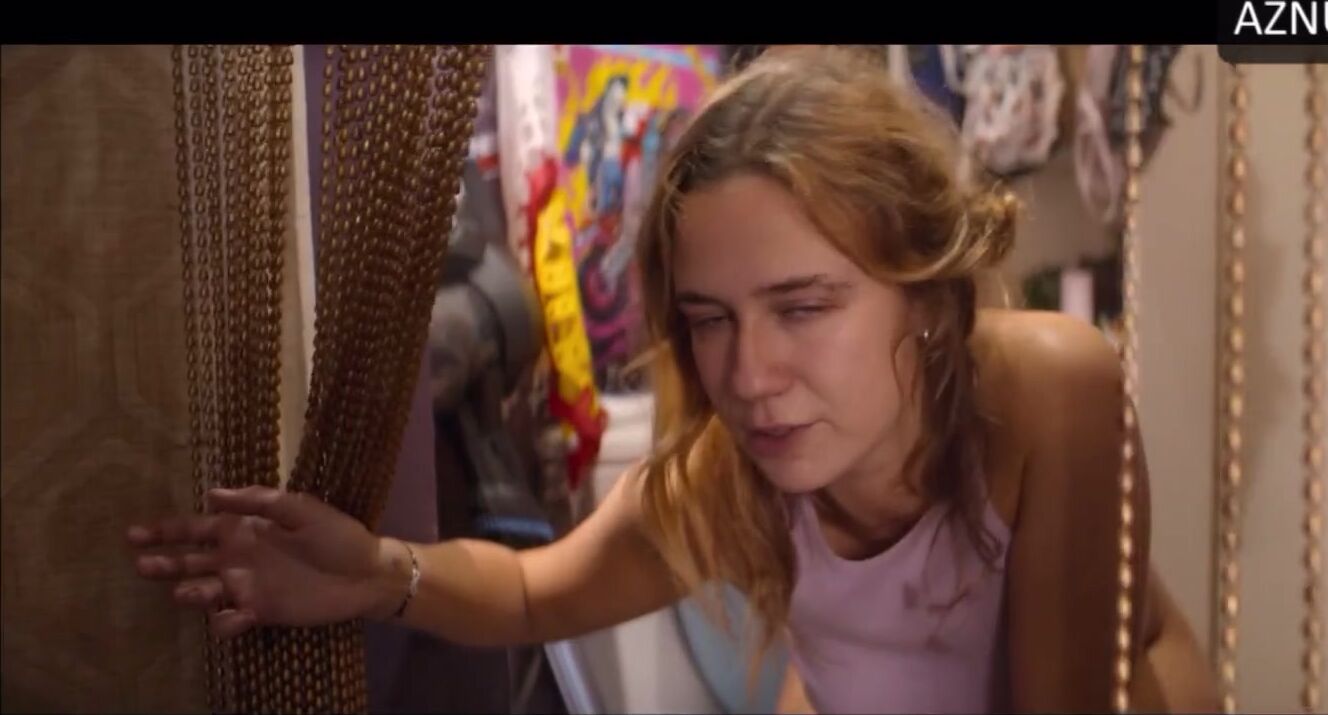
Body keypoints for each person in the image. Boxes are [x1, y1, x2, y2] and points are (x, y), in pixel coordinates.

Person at [127, 45, 1219, 714]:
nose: (748, 375)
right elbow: (532, 591)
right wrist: (374, 572)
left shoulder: (1045, 391)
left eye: (803, 306)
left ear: (924, 296)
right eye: (708, 320)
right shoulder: (735, 473)